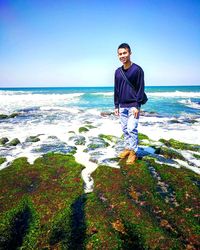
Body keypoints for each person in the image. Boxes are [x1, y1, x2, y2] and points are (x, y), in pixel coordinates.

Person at [114, 43, 145, 164]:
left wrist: (137, 105)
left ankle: (133, 152)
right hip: (122, 106)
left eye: (124, 53)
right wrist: (116, 105)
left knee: (132, 128)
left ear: (130, 53)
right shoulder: (117, 72)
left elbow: (140, 88)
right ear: (118, 55)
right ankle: (128, 148)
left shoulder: (137, 69)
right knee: (125, 129)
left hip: (133, 106)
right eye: (120, 54)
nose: (122, 56)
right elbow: (116, 89)